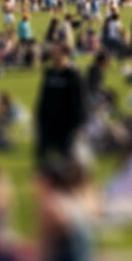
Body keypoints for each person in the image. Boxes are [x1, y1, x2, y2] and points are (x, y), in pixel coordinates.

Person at [32, 43, 90, 174]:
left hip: (67, 127)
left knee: (67, 162)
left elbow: (79, 102)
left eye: (57, 53)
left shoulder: (74, 75)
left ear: (65, 55)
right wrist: (39, 120)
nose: (53, 56)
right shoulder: (49, 73)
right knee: (42, 161)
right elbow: (43, 98)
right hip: (48, 125)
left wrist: (78, 126)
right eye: (53, 53)